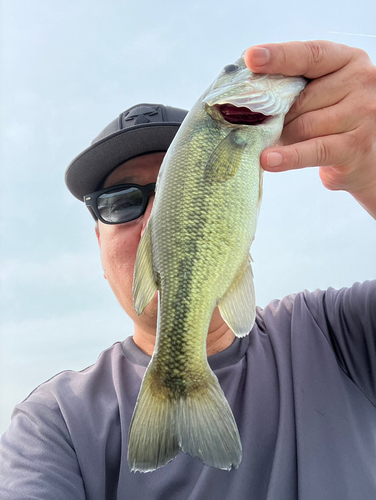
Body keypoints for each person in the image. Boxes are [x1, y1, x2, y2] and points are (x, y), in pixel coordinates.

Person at [1, 40, 375, 499]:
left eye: (174, 188)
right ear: (98, 245)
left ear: (244, 214)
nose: (156, 220)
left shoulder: (338, 333)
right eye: (120, 202)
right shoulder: (52, 424)